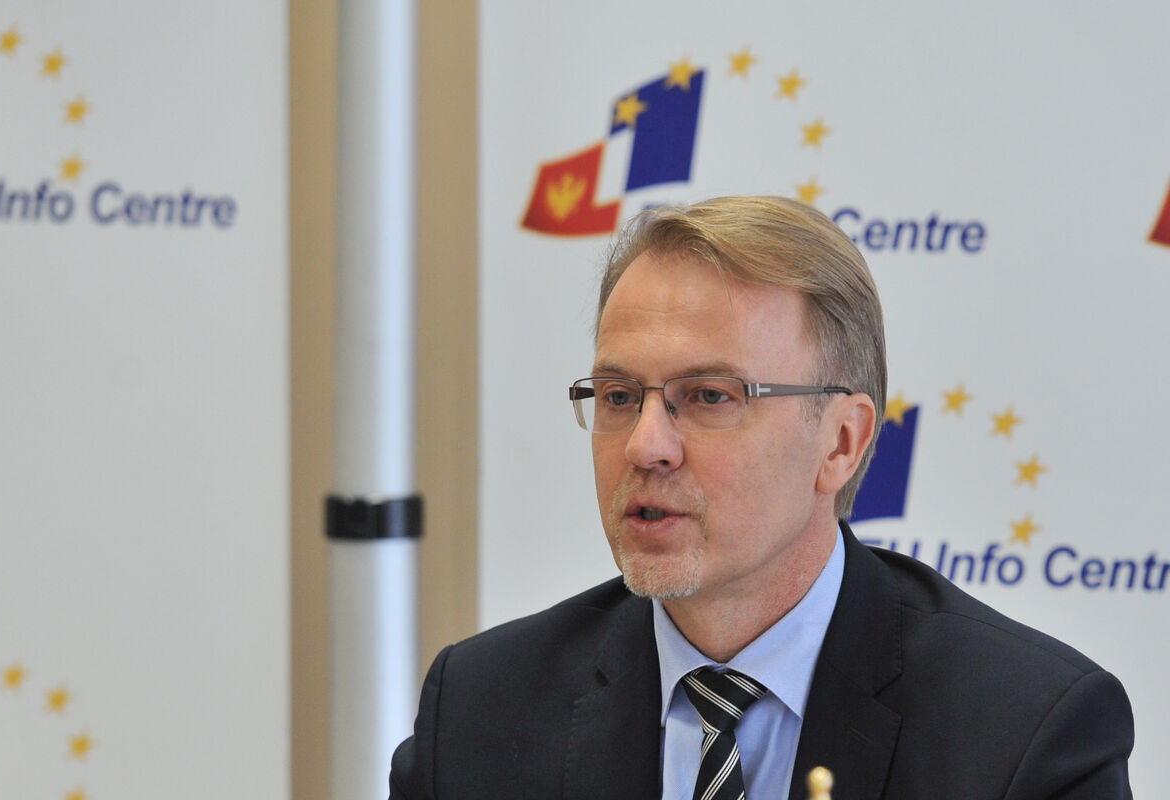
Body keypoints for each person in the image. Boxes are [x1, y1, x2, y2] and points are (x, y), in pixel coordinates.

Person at [389, 196, 1134, 799]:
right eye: (618, 396)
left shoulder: (1025, 733)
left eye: (709, 396)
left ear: (840, 442)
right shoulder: (482, 710)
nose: (646, 445)